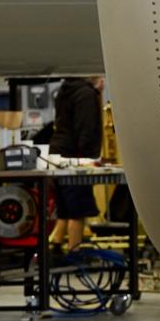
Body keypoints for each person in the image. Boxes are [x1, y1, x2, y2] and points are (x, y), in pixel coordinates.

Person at [48, 75, 103, 253]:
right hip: (74, 157)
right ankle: (74, 252)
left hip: (57, 153)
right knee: (77, 210)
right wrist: (87, 158)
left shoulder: (66, 90)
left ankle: (54, 246)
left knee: (64, 209)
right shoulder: (85, 94)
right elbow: (86, 126)